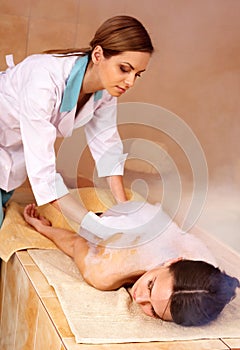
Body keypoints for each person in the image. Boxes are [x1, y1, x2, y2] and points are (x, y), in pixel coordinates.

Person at [0, 15, 154, 228]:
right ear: (98, 55)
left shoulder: (106, 91)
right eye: (124, 69)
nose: (130, 82)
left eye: (138, 74)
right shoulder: (43, 81)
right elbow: (44, 174)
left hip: (10, 160)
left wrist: (124, 208)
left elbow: (107, 146)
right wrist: (92, 224)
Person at [23, 200, 240, 326]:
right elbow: (75, 244)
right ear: (172, 261)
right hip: (118, 221)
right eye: (150, 285)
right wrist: (42, 227)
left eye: (153, 311)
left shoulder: (204, 276)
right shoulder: (107, 272)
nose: (139, 298)